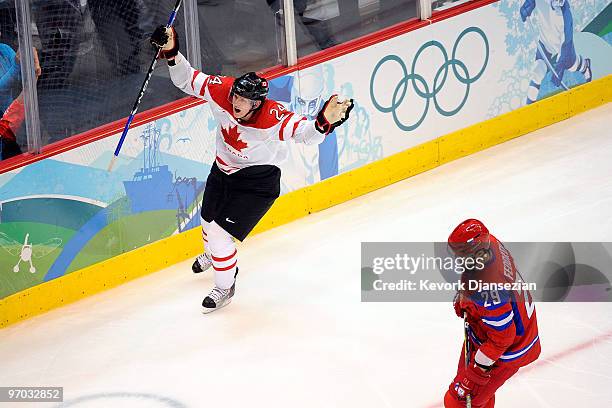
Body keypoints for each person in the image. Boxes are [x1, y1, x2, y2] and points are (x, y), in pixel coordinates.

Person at [150, 25, 353, 313]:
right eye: (235, 97)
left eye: (244, 101)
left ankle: (225, 286)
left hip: (257, 184)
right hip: (222, 170)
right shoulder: (223, 91)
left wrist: (323, 122)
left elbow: (307, 134)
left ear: (258, 103)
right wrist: (171, 52)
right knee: (207, 222)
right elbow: (187, 79)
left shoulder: (272, 117)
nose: (235, 103)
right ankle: (216, 254)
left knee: (219, 233)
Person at [444, 219, 541, 408]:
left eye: (461, 254)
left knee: (459, 402)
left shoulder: (488, 288)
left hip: (508, 350)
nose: (456, 259)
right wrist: (467, 297)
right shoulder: (490, 244)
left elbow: (502, 338)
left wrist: (477, 372)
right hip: (494, 334)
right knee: (478, 397)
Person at [520, 0, 591, 104]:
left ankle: (585, 65)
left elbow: (566, 41)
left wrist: (561, 65)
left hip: (562, 46)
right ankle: (528, 107)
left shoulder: (564, 14)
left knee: (571, 66)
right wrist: (527, 6)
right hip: (545, 41)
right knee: (537, 70)